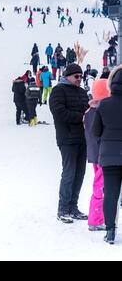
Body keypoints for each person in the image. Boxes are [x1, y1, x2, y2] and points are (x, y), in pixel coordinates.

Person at [49, 63, 90, 223]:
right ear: (68, 76)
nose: (79, 79)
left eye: (81, 76)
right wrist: (80, 117)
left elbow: (86, 110)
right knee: (69, 173)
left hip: (82, 138)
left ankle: (73, 207)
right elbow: (58, 112)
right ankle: (63, 209)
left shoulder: (81, 92)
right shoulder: (58, 90)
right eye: (76, 76)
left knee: (80, 173)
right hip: (67, 139)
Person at [92, 67, 122, 244]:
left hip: (109, 157)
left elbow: (96, 131)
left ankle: (110, 232)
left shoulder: (104, 104)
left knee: (110, 193)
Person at [84, 79, 110, 232]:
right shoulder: (100, 112)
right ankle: (95, 219)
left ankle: (98, 216)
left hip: (95, 152)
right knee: (100, 185)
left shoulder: (89, 111)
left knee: (100, 183)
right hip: (102, 153)